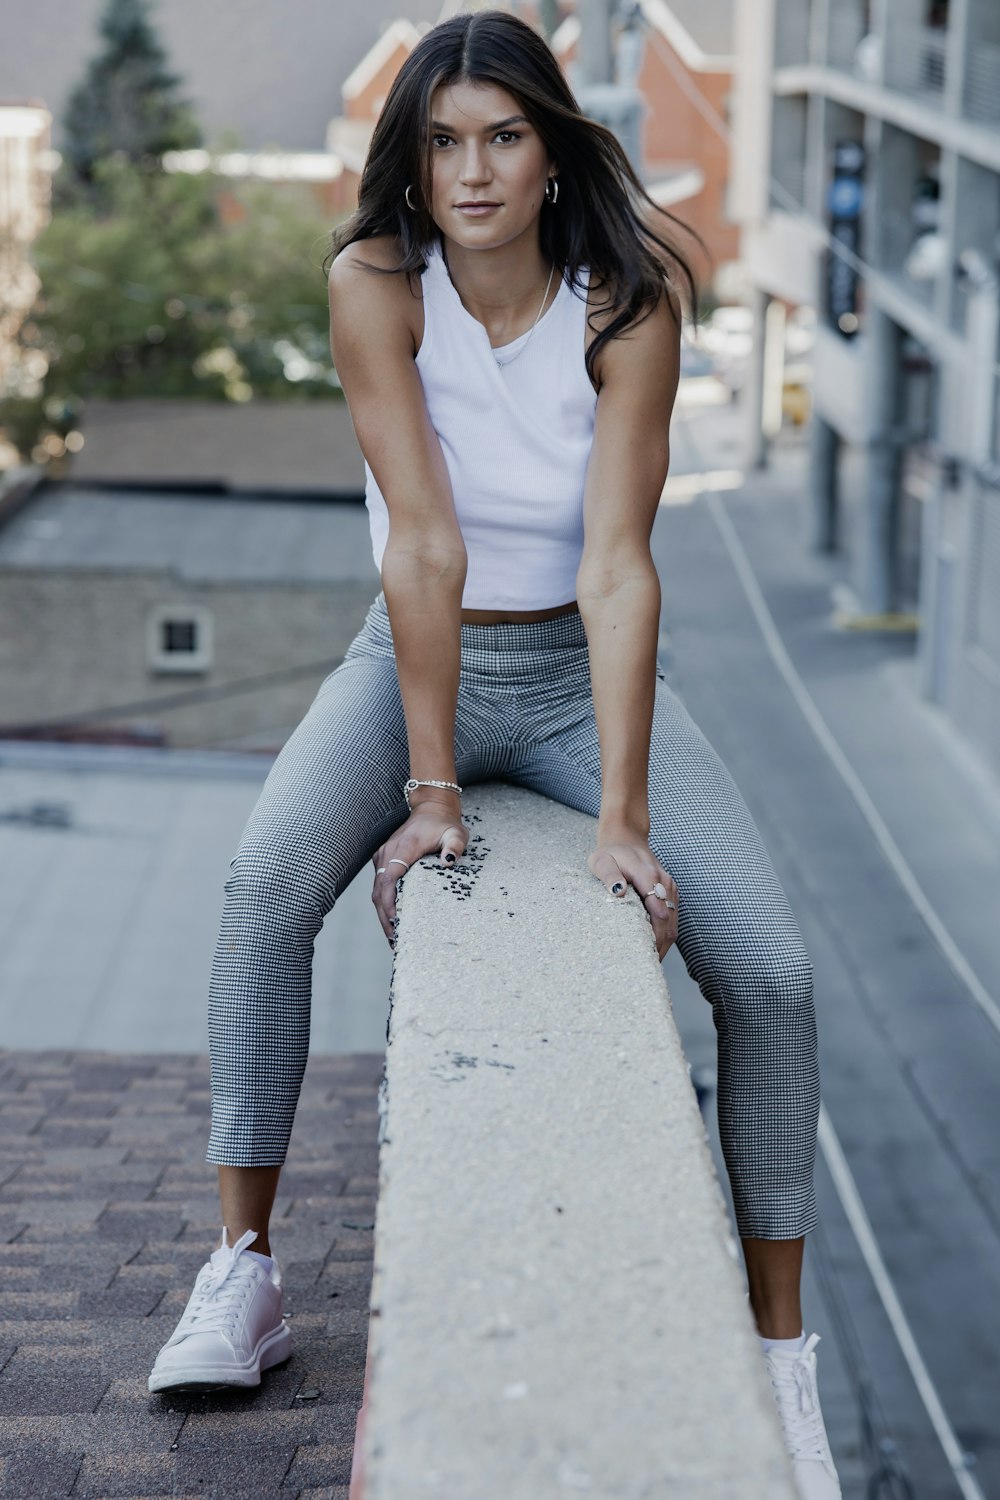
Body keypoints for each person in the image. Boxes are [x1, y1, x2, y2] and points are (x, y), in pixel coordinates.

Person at [147, 12, 841, 1496]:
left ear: (551, 148)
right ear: (413, 155)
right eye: (444, 141)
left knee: (772, 971)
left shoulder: (631, 297)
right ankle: (242, 1268)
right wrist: (432, 790)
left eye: (503, 137)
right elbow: (426, 546)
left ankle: (781, 1360)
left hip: (589, 681)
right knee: (262, 880)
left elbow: (619, 568)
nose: (471, 172)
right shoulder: (374, 287)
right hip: (420, 656)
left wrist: (627, 822)